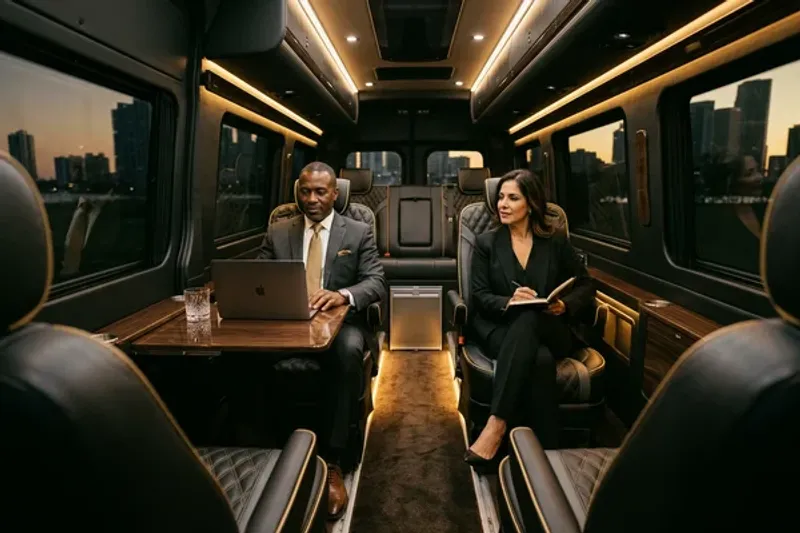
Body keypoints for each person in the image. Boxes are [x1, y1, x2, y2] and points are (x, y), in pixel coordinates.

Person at [257, 161, 386, 520]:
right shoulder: (278, 231)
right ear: (297, 193)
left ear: (334, 194)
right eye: (305, 191)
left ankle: (332, 460)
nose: (311, 199)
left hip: (341, 323)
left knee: (347, 353)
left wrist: (342, 294)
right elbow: (260, 276)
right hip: (288, 321)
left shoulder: (358, 231)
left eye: (320, 192)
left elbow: (376, 282)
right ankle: (264, 447)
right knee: (243, 355)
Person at [463, 169, 595, 466]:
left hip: (551, 326)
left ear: (531, 204)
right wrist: (509, 301)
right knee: (540, 358)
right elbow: (480, 296)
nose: (503, 204)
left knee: (531, 319)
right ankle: (545, 453)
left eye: (513, 198)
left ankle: (497, 425)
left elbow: (586, 285)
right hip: (501, 329)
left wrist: (564, 305)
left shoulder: (555, 241)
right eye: (500, 197)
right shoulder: (486, 243)